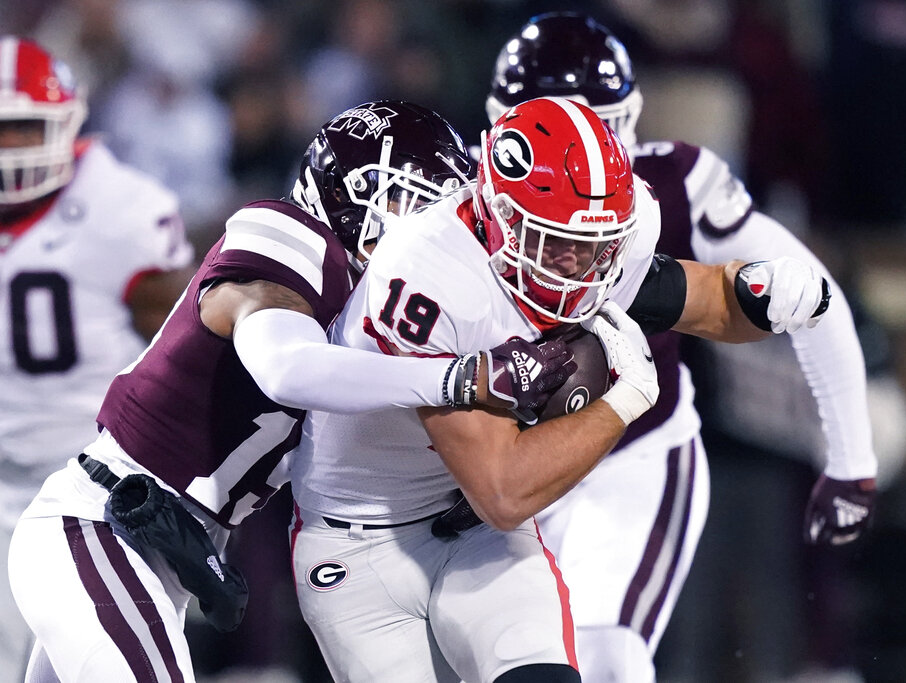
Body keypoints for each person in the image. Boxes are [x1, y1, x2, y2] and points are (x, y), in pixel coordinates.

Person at [7, 99, 574, 683]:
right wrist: (461, 378)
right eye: (413, 201)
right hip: (99, 525)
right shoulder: (290, 236)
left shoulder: (383, 315)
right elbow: (284, 366)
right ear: (354, 198)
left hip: (162, 550)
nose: (429, 227)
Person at [288, 94, 831, 683]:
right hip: (361, 546)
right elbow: (503, 490)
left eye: (597, 244)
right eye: (555, 241)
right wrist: (622, 404)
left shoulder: (596, 243)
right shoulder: (429, 274)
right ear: (498, 214)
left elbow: (706, 299)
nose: (577, 263)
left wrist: (767, 292)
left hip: (474, 534)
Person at [482, 13, 880, 682]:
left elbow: (809, 293)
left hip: (631, 457)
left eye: (596, 134)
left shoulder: (673, 187)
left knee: (605, 658)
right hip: (499, 460)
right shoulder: (450, 211)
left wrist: (852, 456)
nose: (576, 167)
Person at [0, 36, 196, 682]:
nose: (11, 151)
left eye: (25, 129)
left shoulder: (119, 207)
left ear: (65, 123)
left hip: (95, 487)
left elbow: (188, 346)